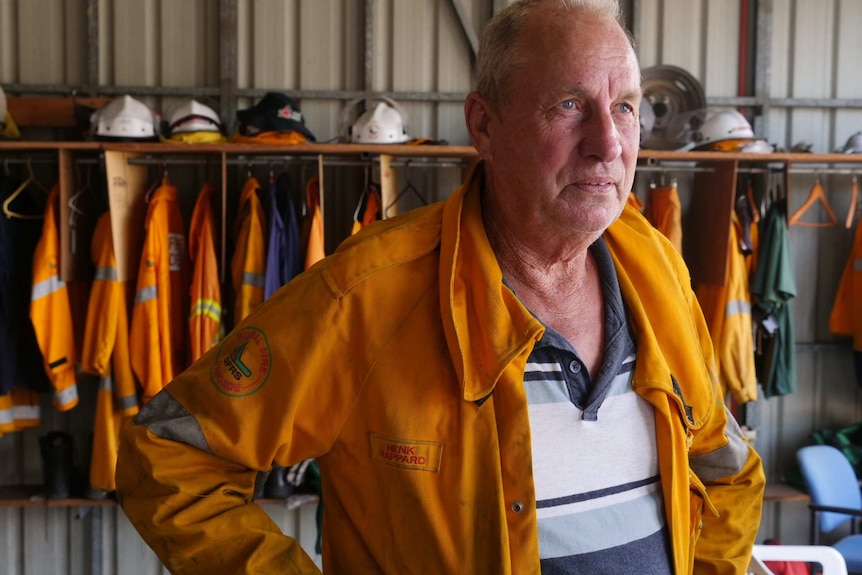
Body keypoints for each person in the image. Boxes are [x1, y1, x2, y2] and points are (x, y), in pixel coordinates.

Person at [115, 0, 766, 573]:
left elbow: (724, 465)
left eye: (624, 107)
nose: (608, 143)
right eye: (570, 105)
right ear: (483, 125)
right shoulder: (368, 295)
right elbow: (168, 455)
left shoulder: (655, 266)